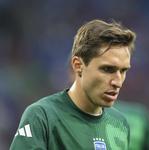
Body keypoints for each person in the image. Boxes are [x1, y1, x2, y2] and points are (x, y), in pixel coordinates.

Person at [10, 19, 136, 150]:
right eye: (107, 69)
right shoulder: (42, 116)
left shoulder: (120, 123)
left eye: (123, 71)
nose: (118, 82)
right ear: (78, 66)